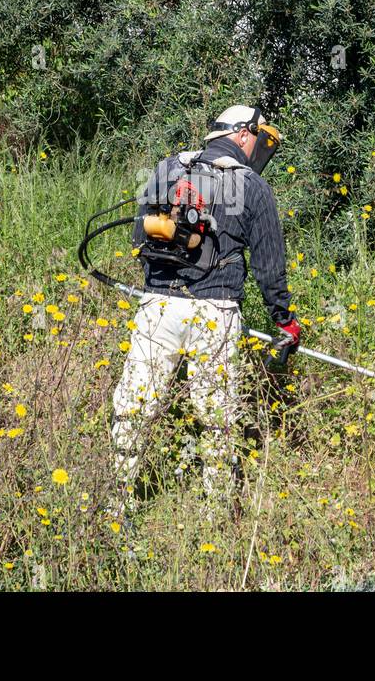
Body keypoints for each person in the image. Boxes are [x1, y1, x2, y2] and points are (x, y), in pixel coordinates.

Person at [111, 104, 300, 517]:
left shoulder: (168, 168)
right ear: (244, 135)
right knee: (217, 419)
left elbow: (135, 234)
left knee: (133, 410)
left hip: (157, 307)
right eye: (260, 140)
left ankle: (116, 509)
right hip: (215, 312)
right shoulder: (251, 185)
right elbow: (270, 265)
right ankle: (216, 518)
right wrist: (285, 322)